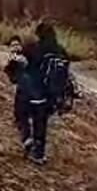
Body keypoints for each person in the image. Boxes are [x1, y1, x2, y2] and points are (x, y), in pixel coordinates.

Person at [20, 22, 71, 165]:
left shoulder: (34, 48)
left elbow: (22, 62)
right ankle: (39, 153)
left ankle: (27, 138)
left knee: (21, 114)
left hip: (33, 91)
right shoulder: (60, 51)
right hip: (51, 95)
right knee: (41, 122)